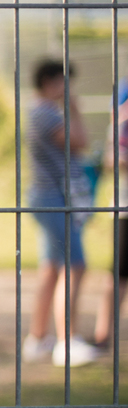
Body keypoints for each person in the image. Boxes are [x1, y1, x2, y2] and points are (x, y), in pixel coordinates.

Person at [21, 59, 101, 366]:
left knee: (52, 268)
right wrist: (75, 110)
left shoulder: (39, 111)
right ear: (50, 82)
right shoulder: (46, 113)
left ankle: (38, 338)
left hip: (48, 197)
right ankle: (67, 342)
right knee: (74, 266)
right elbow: (79, 142)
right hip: (54, 198)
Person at [91, 87, 128, 351]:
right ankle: (103, 333)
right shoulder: (120, 128)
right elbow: (112, 161)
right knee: (118, 272)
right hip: (125, 207)